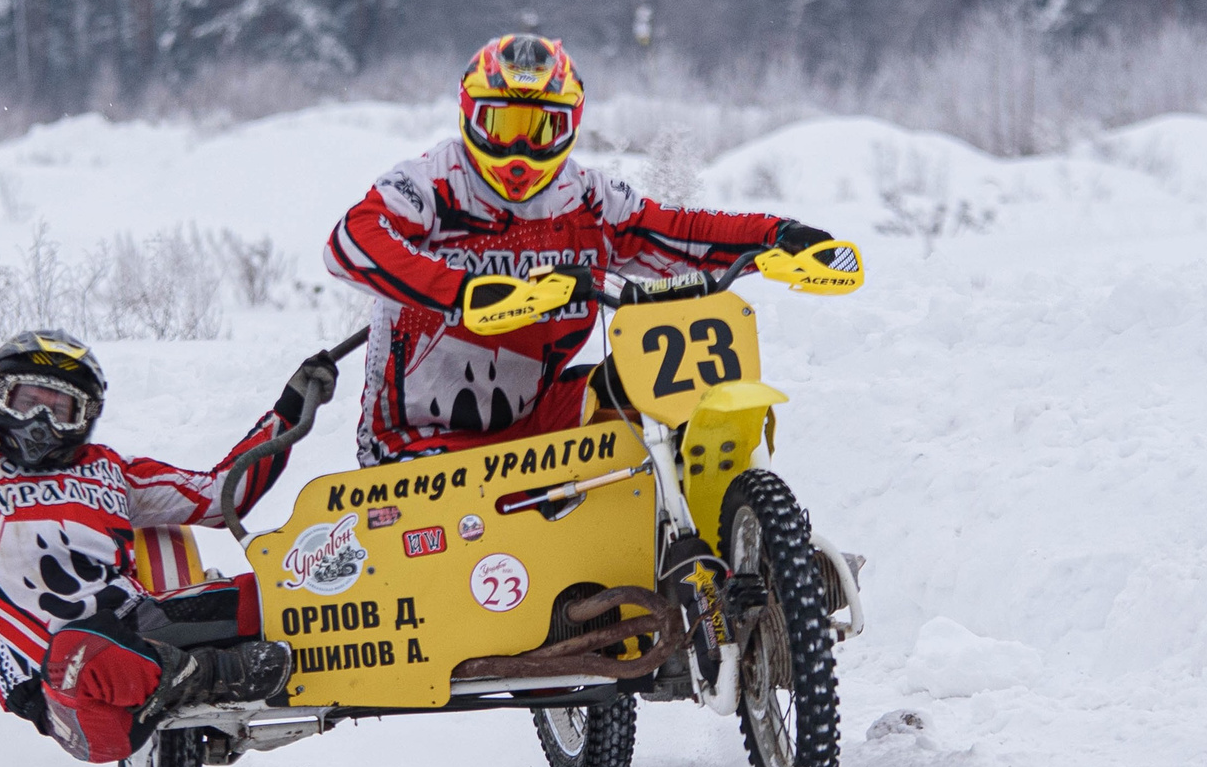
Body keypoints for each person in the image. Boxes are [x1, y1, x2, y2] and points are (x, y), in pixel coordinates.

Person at [0, 172, 332, 764]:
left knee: (288, 590)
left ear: (86, 418)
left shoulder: (108, 473)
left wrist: (290, 409)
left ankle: (355, 668)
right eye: (27, 402)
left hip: (145, 627)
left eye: (62, 409)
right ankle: (214, 673)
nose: (41, 424)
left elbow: (219, 494)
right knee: (86, 650)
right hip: (59, 680)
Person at [323, 33, 837, 465]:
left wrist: (775, 234)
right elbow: (351, 239)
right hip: (416, 444)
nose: (520, 152)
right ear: (469, 117)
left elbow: (678, 231)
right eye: (502, 126)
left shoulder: (588, 198)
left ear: (571, 126)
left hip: (535, 427)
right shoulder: (432, 182)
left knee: (665, 393)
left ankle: (718, 534)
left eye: (541, 129)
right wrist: (460, 292)